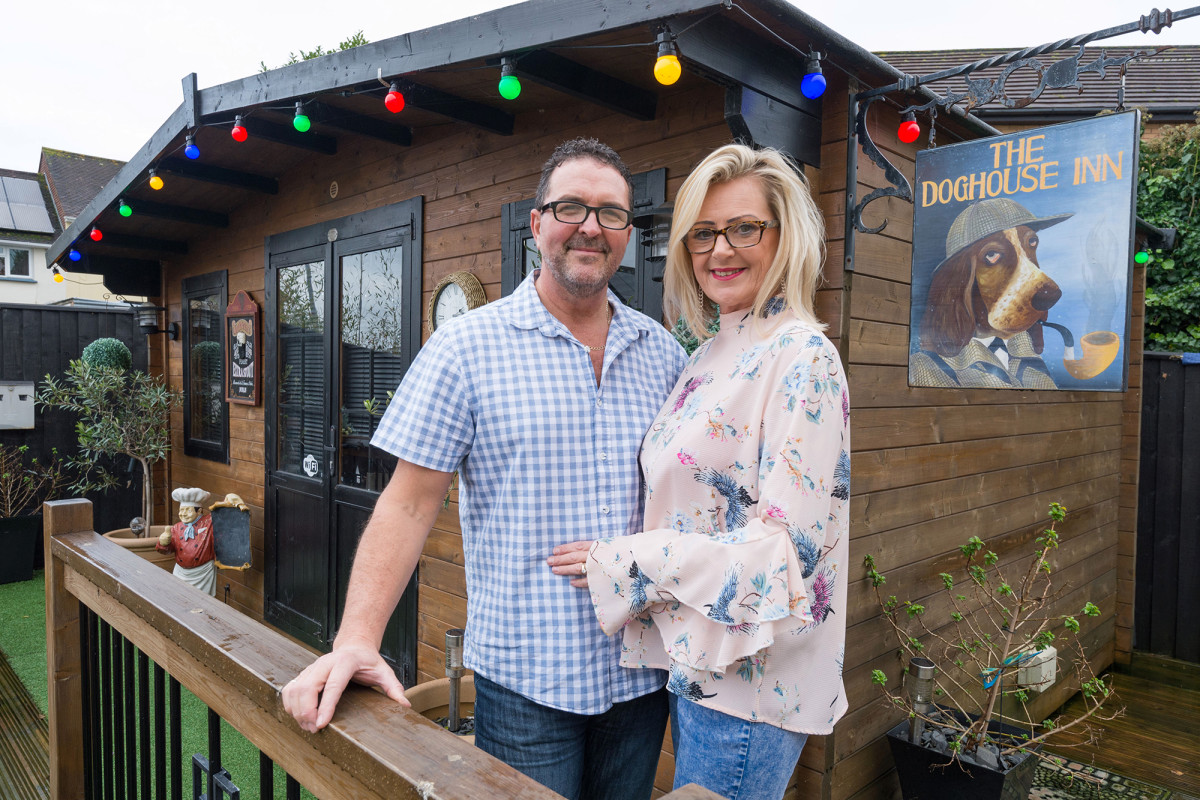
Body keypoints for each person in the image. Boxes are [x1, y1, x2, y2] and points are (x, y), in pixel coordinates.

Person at [282, 137, 688, 800]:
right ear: (536, 225)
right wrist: (357, 638)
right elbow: (408, 504)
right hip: (528, 682)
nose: (591, 225)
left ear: (627, 232)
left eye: (611, 213)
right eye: (572, 207)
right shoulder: (466, 348)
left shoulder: (662, 353)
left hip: (641, 675)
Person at [549, 144, 850, 800]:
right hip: (695, 669)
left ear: (785, 236)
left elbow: (781, 550)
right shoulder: (711, 352)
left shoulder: (801, 358)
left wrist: (631, 561)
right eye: (704, 234)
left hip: (749, 687)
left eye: (745, 228)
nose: (721, 251)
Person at [157, 486, 217, 595]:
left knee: (202, 602)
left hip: (202, 573)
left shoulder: (209, 523)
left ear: (199, 511)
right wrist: (164, 544)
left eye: (188, 510)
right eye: (181, 510)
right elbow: (168, 550)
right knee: (179, 599)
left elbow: (221, 516)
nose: (183, 514)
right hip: (180, 572)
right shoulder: (176, 528)